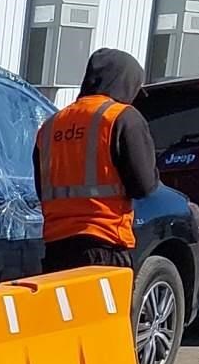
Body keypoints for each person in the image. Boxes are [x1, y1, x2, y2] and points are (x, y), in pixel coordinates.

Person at [33, 47, 159, 272]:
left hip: (56, 248)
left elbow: (42, 189)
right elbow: (144, 185)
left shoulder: (51, 125)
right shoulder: (122, 117)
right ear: (125, 82)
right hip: (105, 244)